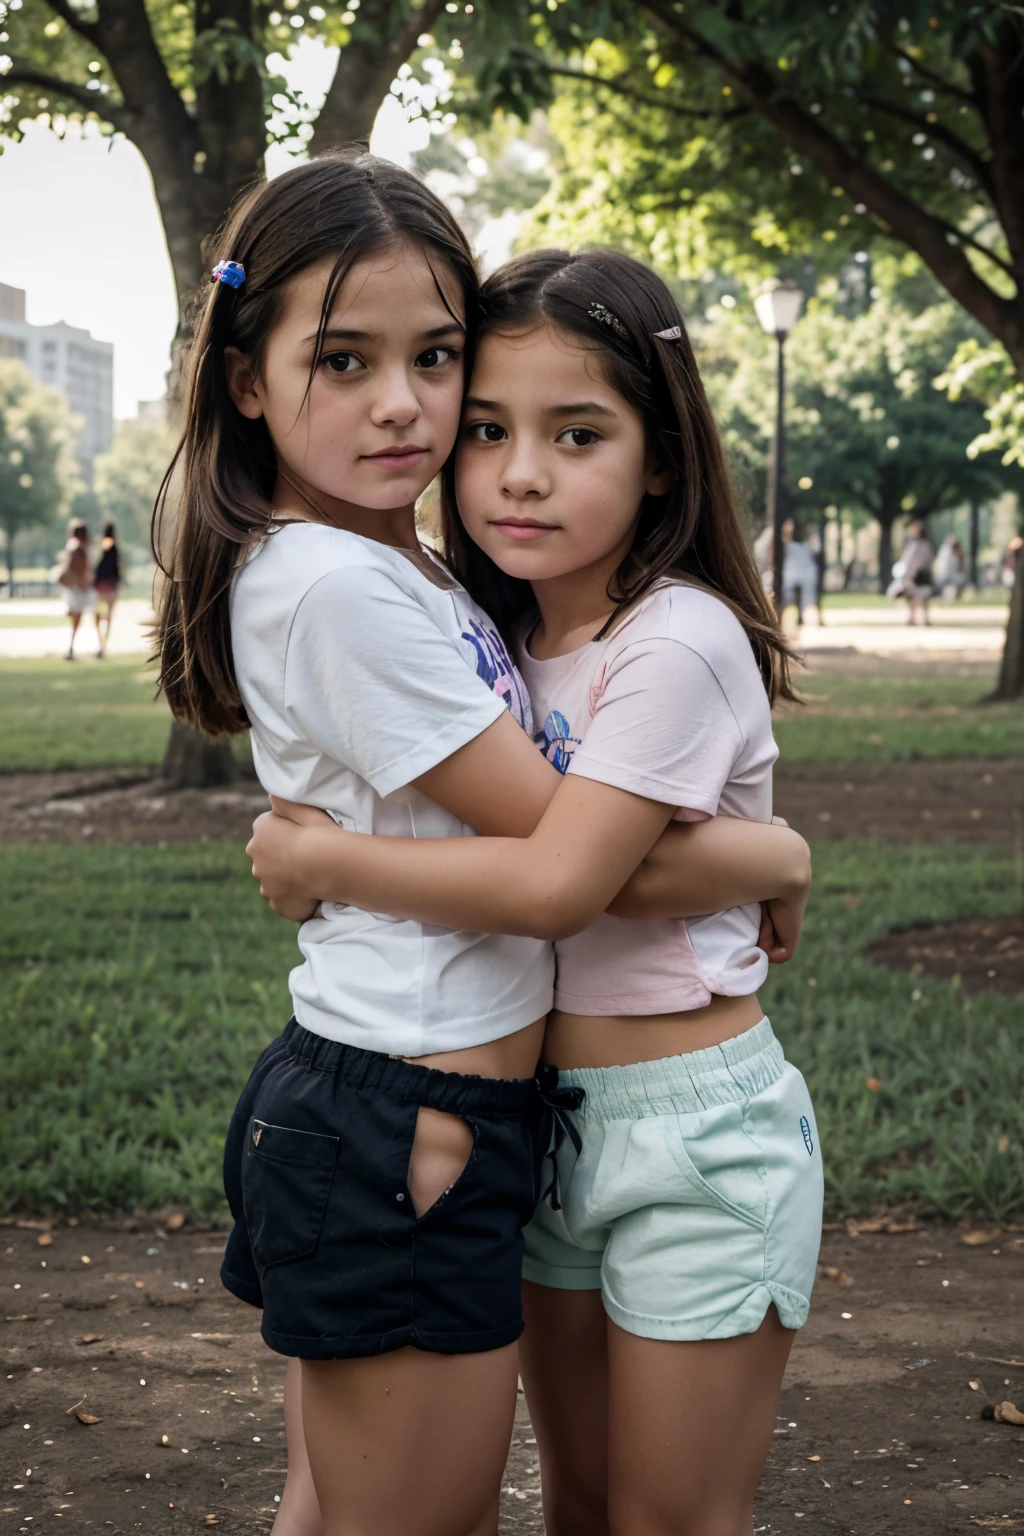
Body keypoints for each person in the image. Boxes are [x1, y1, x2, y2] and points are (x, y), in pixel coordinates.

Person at [152, 158, 810, 1536]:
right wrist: (768, 860)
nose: (401, 400)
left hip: (415, 1100)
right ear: (247, 381)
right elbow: (569, 864)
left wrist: (774, 854)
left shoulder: (402, 569)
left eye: (431, 355)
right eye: (344, 358)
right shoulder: (341, 584)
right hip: (407, 1106)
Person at [54, 518, 93, 660]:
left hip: (76, 587)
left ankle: (71, 648)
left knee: (77, 619)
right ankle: (71, 648)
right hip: (78, 588)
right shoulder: (81, 547)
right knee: (78, 619)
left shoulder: (74, 546)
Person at [888, 517, 935, 624]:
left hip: (920, 573)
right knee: (910, 596)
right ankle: (912, 618)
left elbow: (927, 558)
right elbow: (906, 560)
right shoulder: (910, 543)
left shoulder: (924, 544)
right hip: (909, 574)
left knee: (923, 597)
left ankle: (925, 618)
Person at [92, 519, 121, 656]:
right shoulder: (114, 546)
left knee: (99, 615)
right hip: (112, 585)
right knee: (108, 616)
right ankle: (103, 645)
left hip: (102, 585)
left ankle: (101, 644)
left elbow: (98, 562)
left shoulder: (105, 544)